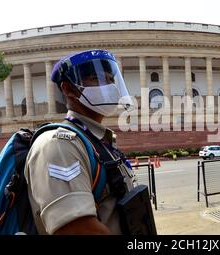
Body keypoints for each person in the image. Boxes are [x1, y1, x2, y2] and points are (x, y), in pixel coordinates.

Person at [24, 49, 138, 235]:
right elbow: (76, 228)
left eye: (110, 79)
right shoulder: (59, 144)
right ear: (69, 89)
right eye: (96, 78)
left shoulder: (96, 140)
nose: (108, 86)